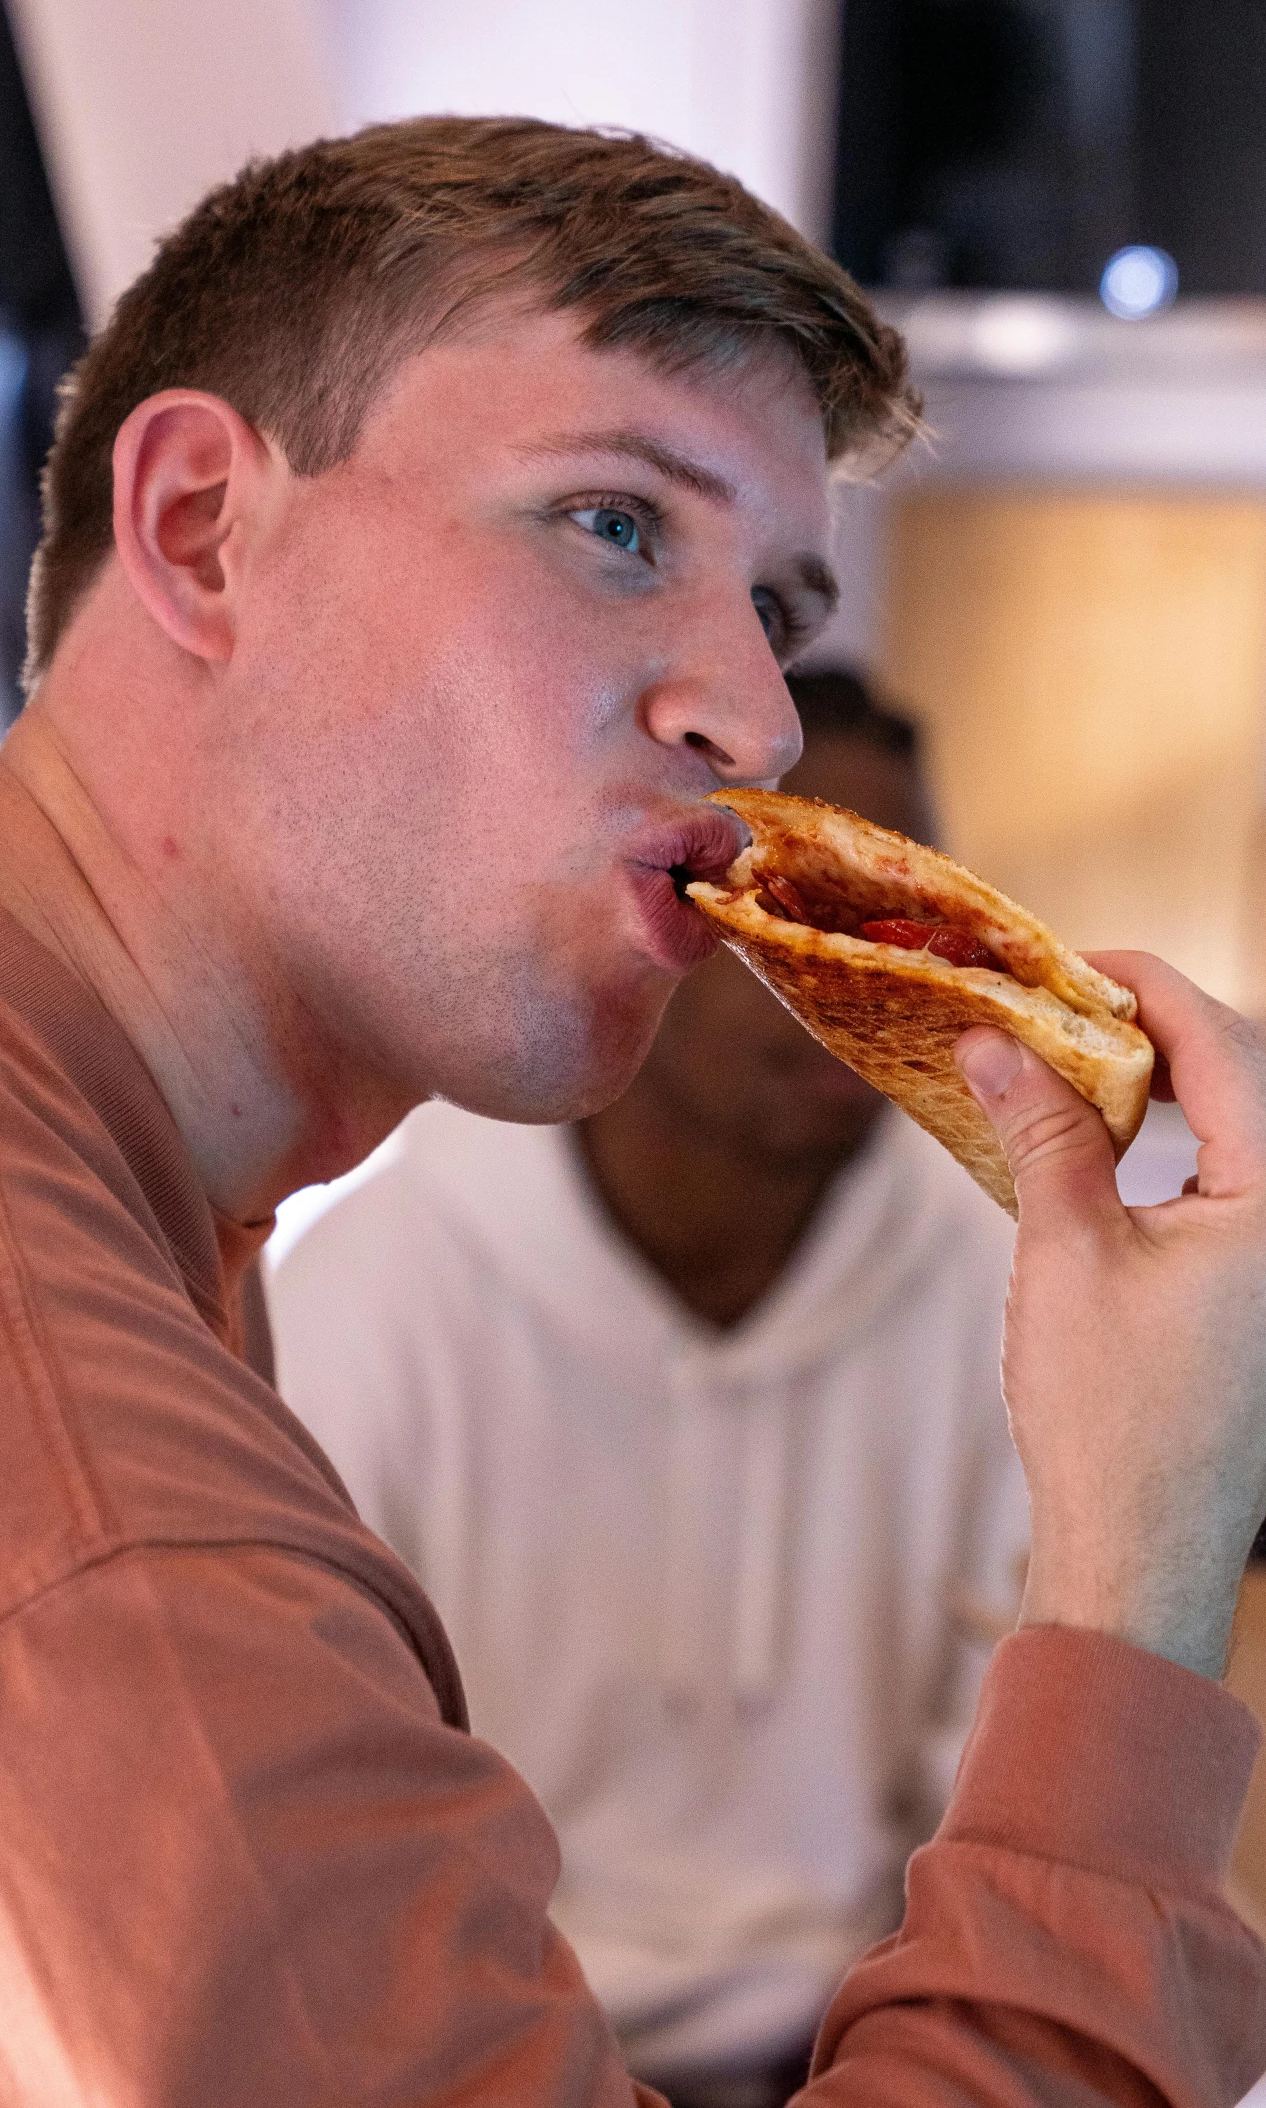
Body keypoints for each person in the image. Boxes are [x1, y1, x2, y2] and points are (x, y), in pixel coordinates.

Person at [0, 116, 1266, 2105]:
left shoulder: (101, 1180)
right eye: (616, 522)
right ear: (202, 527)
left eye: (775, 604)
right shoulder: (80, 1493)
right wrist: (1150, 1563)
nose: (760, 718)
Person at [271, 666, 1029, 2108]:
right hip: (471, 2063)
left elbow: (1010, 1787)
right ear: (652, 920)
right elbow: (312, 1827)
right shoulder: (378, 1292)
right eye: (796, 913)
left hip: (866, 2058)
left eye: (902, 923)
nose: (869, 976)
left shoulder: (1005, 1293)